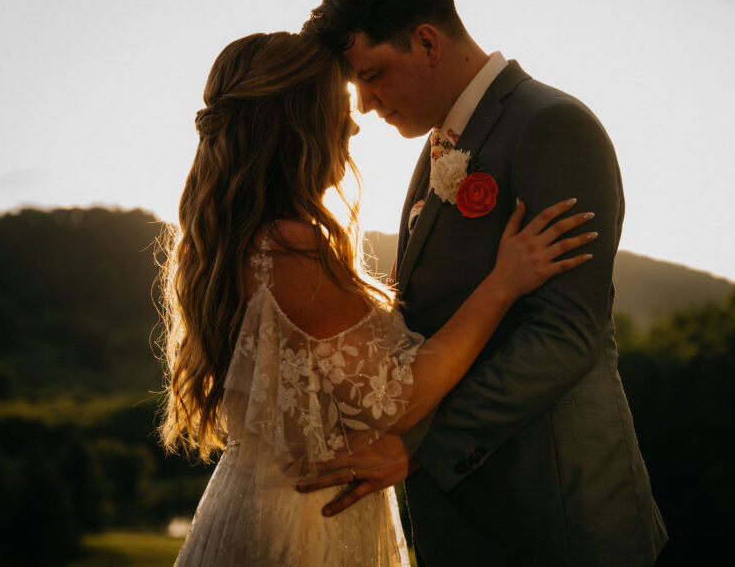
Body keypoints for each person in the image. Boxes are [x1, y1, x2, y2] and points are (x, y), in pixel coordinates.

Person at [160, 31, 598, 566]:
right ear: (299, 125)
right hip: (308, 528)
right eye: (337, 107)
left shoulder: (229, 239)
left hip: (265, 504)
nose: (352, 122)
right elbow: (401, 400)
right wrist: (502, 284)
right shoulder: (290, 244)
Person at [299, 0, 668, 566]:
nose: (363, 104)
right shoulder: (442, 140)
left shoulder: (552, 125)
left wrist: (421, 444)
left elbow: (566, 333)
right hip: (470, 516)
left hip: (554, 514)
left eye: (372, 74)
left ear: (426, 41)